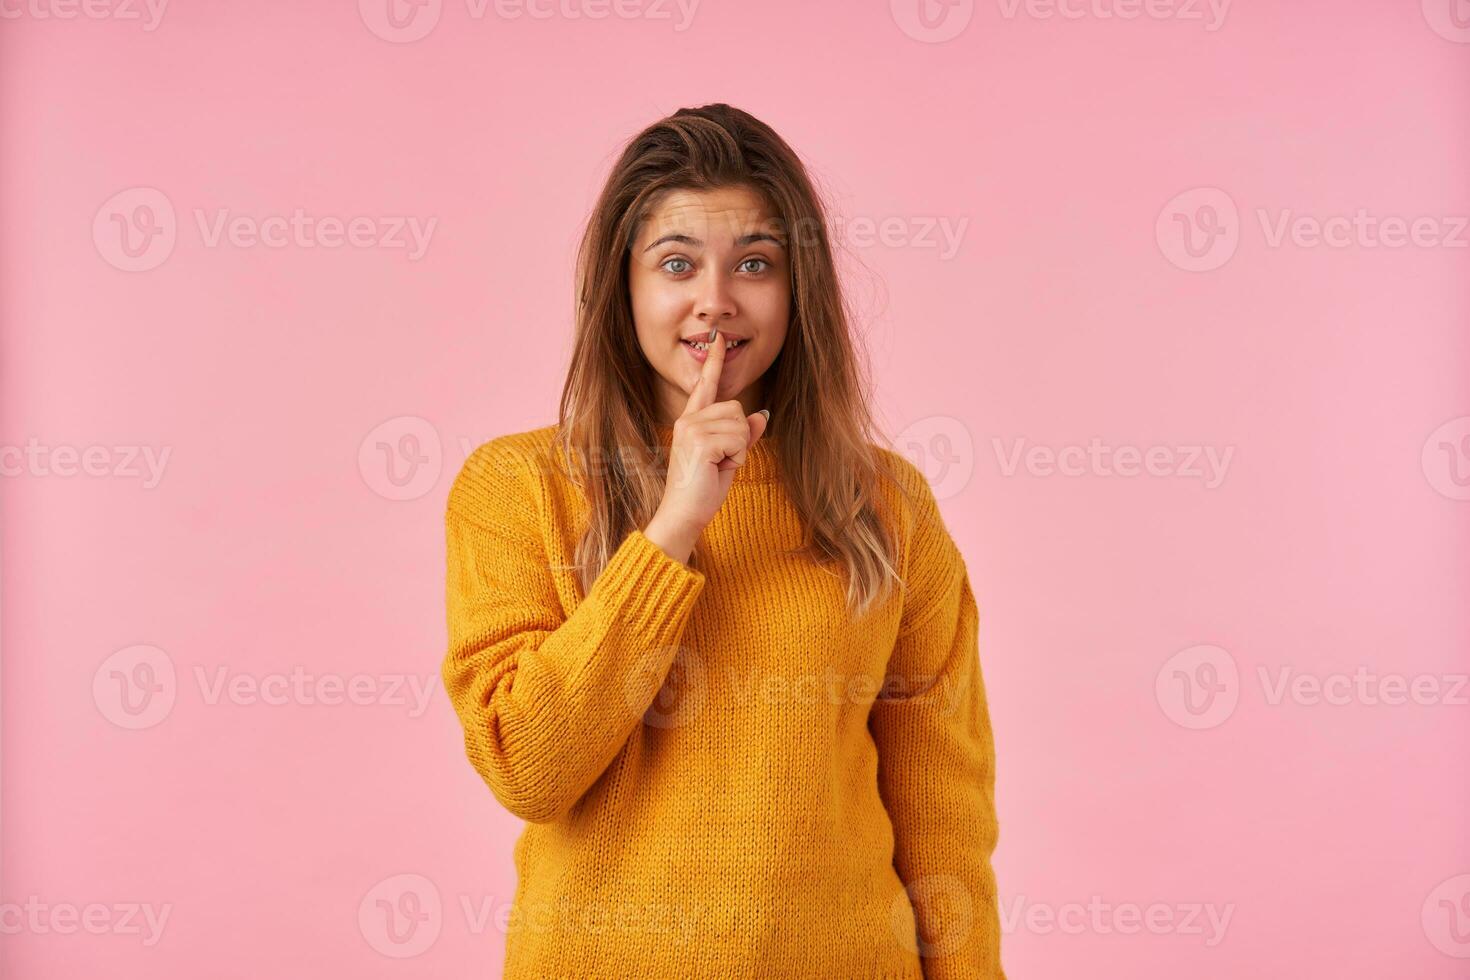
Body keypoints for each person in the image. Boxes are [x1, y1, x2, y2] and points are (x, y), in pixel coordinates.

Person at [441, 103, 1005, 979]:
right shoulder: (516, 489)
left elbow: (945, 817)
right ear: (622, 289)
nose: (717, 301)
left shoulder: (885, 504)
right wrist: (672, 530)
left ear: (798, 288)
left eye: (754, 263)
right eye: (676, 264)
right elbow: (528, 767)